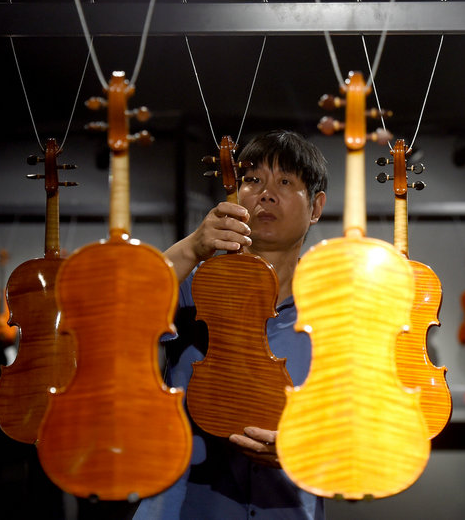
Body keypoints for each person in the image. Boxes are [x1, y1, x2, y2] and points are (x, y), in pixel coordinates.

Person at [134, 129, 328, 520]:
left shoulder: (333, 307)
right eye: (253, 180)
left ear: (316, 207)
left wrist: (306, 447)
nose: (265, 194)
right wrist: (191, 247)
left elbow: (353, 425)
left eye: (286, 182)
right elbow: (120, 309)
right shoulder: (192, 285)